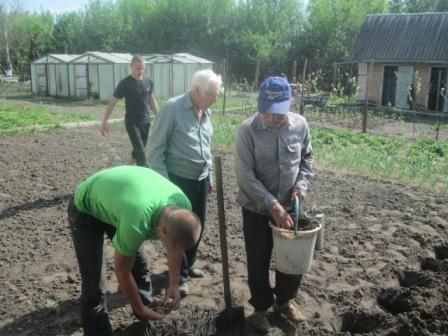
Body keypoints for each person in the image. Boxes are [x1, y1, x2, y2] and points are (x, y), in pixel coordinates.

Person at [67, 165, 201, 336]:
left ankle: (146, 310)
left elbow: (176, 247)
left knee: (140, 265)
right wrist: (139, 308)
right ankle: (100, 330)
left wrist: (174, 284)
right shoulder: (137, 222)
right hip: (87, 207)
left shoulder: (182, 206)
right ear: (161, 231)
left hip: (120, 199)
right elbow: (122, 271)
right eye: (170, 245)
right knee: (95, 283)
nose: (173, 250)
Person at [234, 76, 314, 333]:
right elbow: (244, 174)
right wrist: (272, 205)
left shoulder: (300, 125)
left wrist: (301, 185)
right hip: (256, 209)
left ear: (289, 104)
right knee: (258, 260)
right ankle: (260, 309)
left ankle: (284, 302)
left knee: (292, 259)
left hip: (291, 207)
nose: (272, 118)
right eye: (267, 113)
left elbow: (307, 158)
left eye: (278, 113)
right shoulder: (247, 130)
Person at [148, 69, 222, 297]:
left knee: (197, 224)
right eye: (212, 94)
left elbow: (207, 149)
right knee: (179, 229)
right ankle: (178, 277)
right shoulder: (173, 109)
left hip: (200, 180)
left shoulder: (205, 112)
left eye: (217, 94)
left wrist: (209, 176)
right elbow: (154, 150)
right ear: (196, 90)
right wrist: (166, 186)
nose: (215, 99)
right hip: (177, 182)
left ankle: (188, 266)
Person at [99, 55, 159, 167]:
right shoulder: (125, 83)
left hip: (146, 122)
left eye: (142, 68)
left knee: (137, 150)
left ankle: (126, 169)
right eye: (138, 68)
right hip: (132, 123)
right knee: (141, 152)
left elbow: (152, 100)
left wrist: (159, 117)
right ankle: (144, 173)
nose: (140, 71)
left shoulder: (149, 81)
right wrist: (104, 123)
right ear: (131, 67)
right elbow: (112, 103)